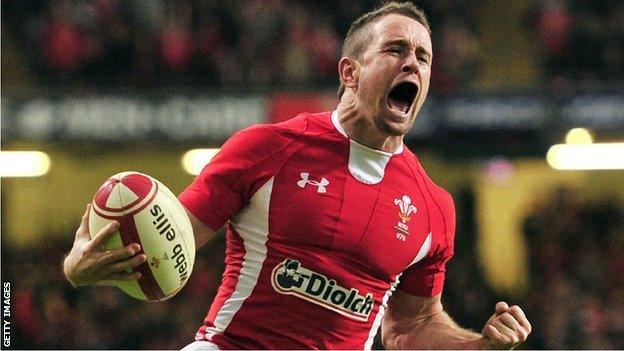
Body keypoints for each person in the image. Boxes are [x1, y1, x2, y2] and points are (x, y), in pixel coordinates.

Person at [63, 2, 532, 349]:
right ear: (349, 71)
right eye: (395, 49)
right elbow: (169, 246)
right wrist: (79, 266)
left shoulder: (434, 207)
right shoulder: (267, 148)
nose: (413, 62)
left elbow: (411, 326)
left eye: (423, 57)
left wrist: (481, 346)